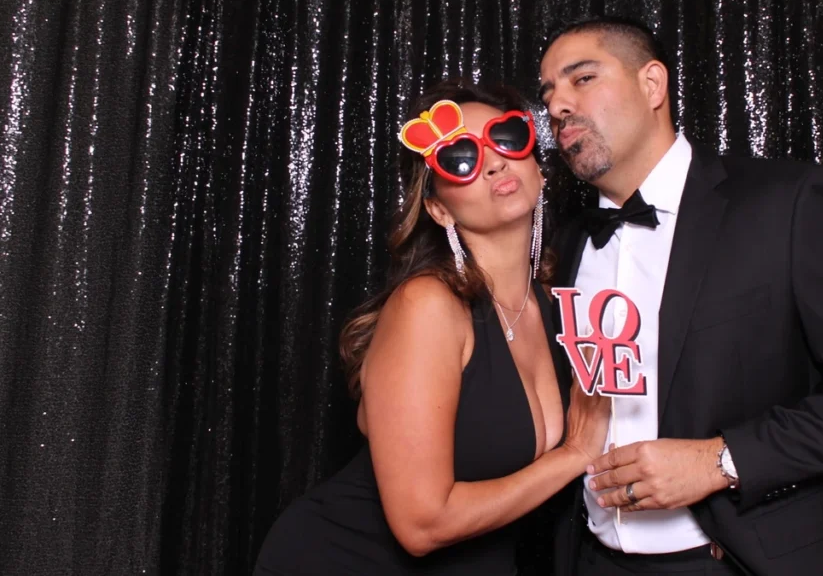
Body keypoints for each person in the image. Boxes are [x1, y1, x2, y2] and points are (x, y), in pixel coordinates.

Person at [538, 16, 823, 576]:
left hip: (740, 560)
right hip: (595, 560)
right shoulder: (568, 243)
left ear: (653, 85)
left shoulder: (788, 203)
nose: (558, 106)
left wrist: (721, 460)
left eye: (582, 79)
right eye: (549, 91)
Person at [253, 79, 610, 575]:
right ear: (439, 207)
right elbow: (422, 525)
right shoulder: (429, 305)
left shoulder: (555, 303)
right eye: (461, 158)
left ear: (539, 170)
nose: (493, 161)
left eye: (507, 138)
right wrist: (573, 454)